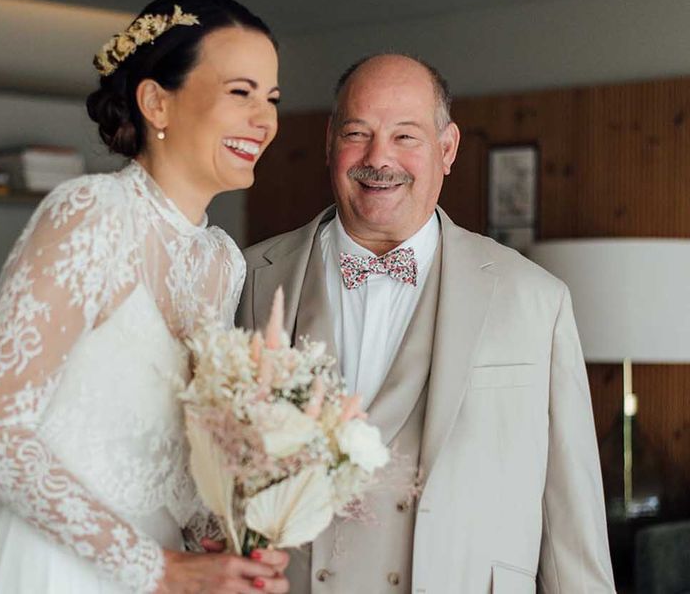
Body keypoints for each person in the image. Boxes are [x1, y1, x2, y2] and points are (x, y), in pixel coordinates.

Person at [0, 0, 289, 594]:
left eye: (272, 99)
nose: (264, 120)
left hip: (166, 569)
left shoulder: (222, 262)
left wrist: (223, 534)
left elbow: (176, 454)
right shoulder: (89, 213)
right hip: (55, 568)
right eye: (241, 92)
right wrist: (155, 569)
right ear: (157, 100)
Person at [237, 54, 615, 593]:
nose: (378, 158)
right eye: (357, 133)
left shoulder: (536, 299)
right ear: (329, 142)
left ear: (447, 148)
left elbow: (571, 520)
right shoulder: (247, 279)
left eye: (406, 136)